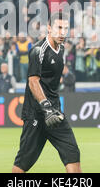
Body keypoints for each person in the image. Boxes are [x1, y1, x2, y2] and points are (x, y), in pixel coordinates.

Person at [12, 12, 81, 173]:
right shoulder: (38, 50)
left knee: (73, 155)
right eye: (58, 28)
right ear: (49, 28)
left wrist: (52, 109)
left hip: (55, 114)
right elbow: (33, 81)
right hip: (36, 114)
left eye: (65, 28)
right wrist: (46, 107)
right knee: (22, 164)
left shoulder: (61, 48)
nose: (62, 32)